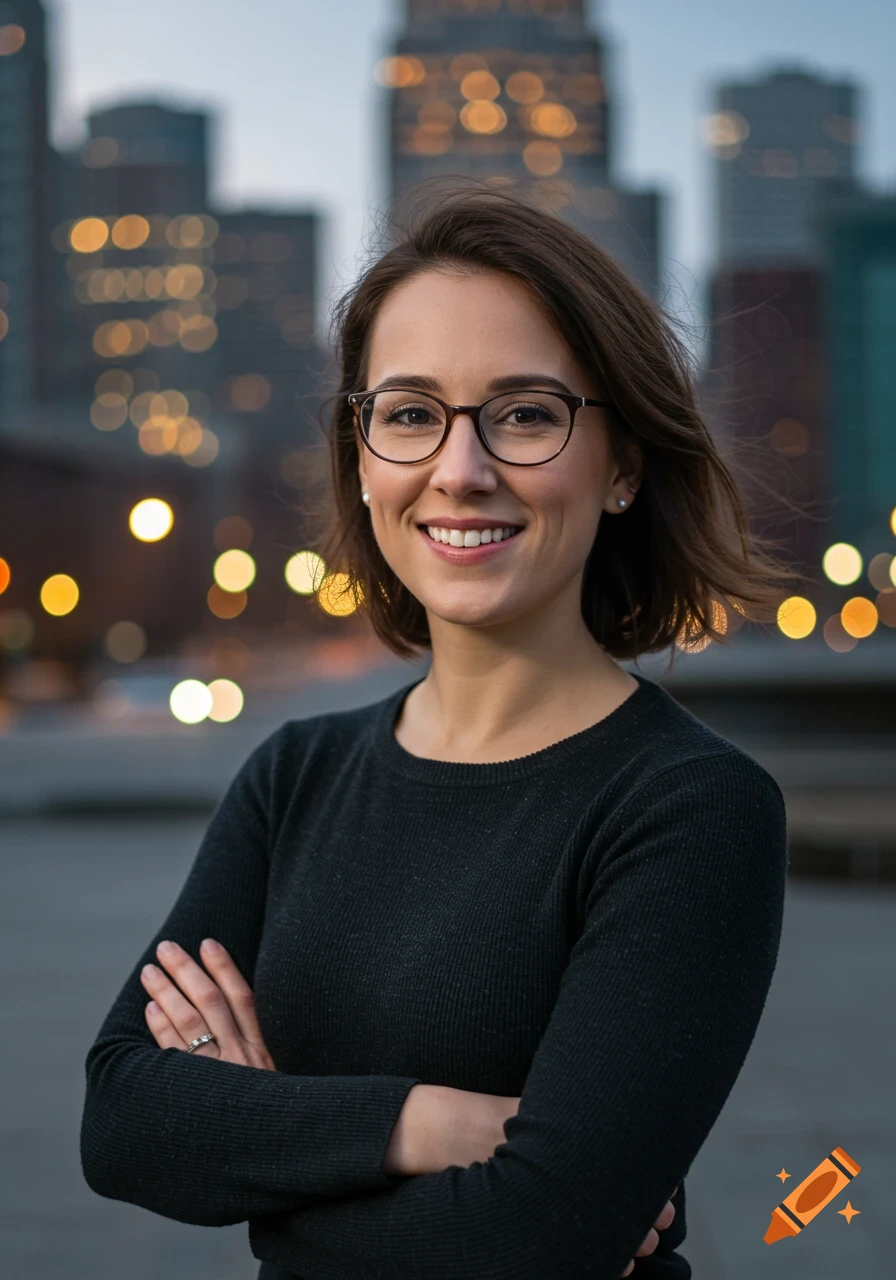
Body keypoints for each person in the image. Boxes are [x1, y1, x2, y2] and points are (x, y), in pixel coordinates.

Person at [80, 180, 797, 1278]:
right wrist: (426, 1124)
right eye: (410, 413)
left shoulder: (691, 808)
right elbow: (122, 1122)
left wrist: (266, 1152)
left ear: (620, 466)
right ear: (363, 457)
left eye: (522, 413)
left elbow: (537, 1238)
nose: (458, 470)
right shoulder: (294, 775)